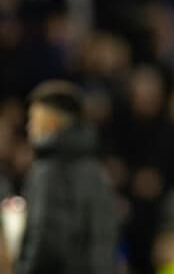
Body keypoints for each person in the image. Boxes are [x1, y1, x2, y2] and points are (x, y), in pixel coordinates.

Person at [14, 80, 118, 274]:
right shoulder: (96, 171)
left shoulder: (47, 171)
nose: (29, 128)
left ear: (51, 122)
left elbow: (44, 238)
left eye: (33, 120)